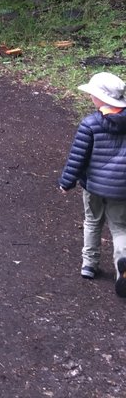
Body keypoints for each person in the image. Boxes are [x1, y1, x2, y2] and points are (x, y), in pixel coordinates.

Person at [59, 71, 126, 296]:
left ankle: (89, 264)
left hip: (93, 186)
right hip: (122, 189)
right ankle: (123, 263)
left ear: (100, 99)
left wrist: (66, 182)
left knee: (92, 222)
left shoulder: (90, 124)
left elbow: (78, 157)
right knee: (120, 227)